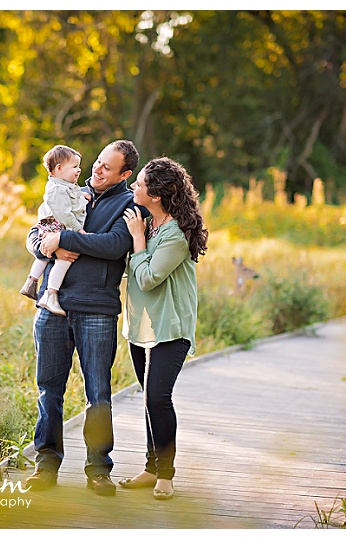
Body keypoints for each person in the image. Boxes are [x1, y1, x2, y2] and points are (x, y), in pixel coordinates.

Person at [23, 140, 141, 497]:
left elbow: (115, 245)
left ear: (125, 174)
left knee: (99, 393)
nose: (97, 170)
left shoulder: (130, 203)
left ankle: (98, 469)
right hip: (51, 305)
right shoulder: (68, 190)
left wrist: (65, 238)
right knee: (49, 390)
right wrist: (48, 243)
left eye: (108, 167)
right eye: (98, 162)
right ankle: (45, 464)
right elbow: (35, 233)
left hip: (97, 309)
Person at [118, 157, 208, 501]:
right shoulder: (149, 223)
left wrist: (138, 242)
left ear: (155, 195)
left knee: (158, 397)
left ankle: (165, 476)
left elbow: (149, 277)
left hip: (171, 325)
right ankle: (150, 467)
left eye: (138, 184)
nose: (133, 188)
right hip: (142, 323)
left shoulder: (174, 233)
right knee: (148, 398)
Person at [20, 144, 90, 316]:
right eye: (74, 167)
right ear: (59, 169)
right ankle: (50, 295)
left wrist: (81, 195)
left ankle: (31, 281)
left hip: (49, 225)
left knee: (47, 253)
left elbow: (70, 198)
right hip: (57, 225)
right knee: (64, 259)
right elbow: (65, 212)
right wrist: (79, 230)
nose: (79, 170)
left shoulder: (61, 185)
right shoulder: (58, 189)